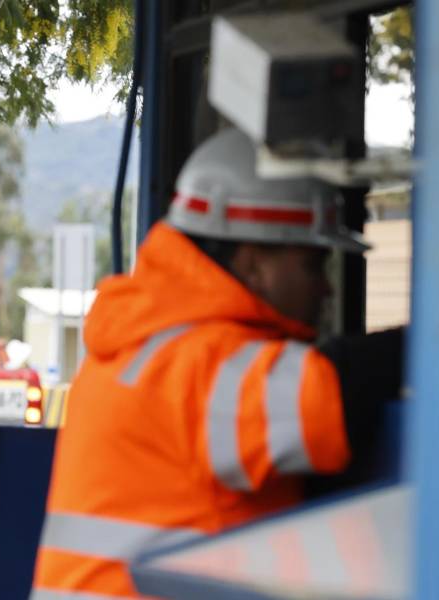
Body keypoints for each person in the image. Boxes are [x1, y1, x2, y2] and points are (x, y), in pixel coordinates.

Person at [31, 128, 404, 598]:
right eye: (313, 265)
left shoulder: (143, 345)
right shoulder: (197, 363)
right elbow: (330, 388)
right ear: (253, 266)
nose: (326, 289)